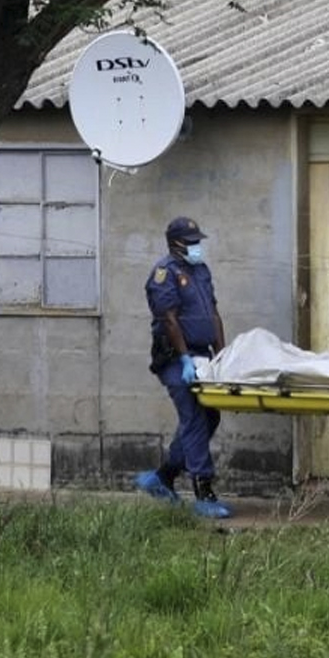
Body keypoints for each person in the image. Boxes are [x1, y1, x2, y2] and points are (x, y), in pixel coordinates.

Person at [133, 215, 233, 519]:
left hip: (204, 356)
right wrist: (185, 357)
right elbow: (169, 318)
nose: (196, 247)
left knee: (210, 417)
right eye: (191, 243)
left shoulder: (200, 271)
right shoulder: (165, 274)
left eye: (198, 242)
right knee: (194, 418)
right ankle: (204, 491)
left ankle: (162, 477)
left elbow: (213, 313)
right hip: (177, 360)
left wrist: (222, 355)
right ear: (175, 244)